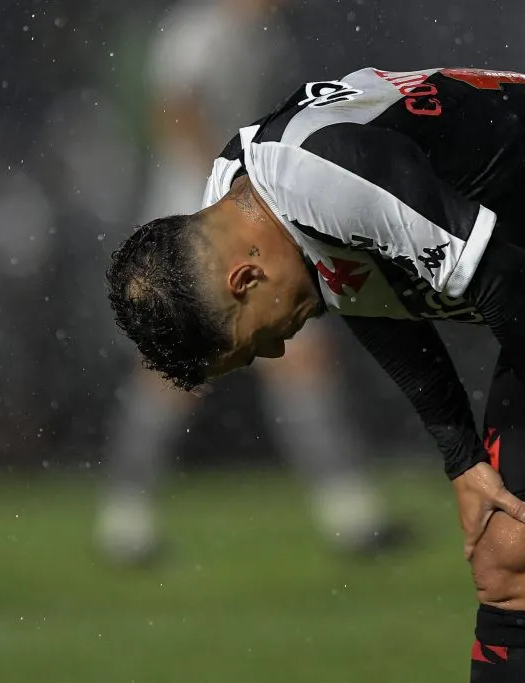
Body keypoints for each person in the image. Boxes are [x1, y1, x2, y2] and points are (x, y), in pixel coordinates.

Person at [106, 67, 525, 682]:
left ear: (244, 278)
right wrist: (462, 458)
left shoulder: (323, 176)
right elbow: (362, 290)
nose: (274, 354)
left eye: (252, 346)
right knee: (509, 554)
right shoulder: (234, 197)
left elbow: (508, 281)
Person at [97, 0, 403, 563]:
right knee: (172, 375)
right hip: (198, 220)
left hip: (244, 213)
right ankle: (126, 515)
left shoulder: (265, 35)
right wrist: (231, 174)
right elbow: (173, 112)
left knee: (301, 359)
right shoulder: (199, 30)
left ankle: (351, 512)